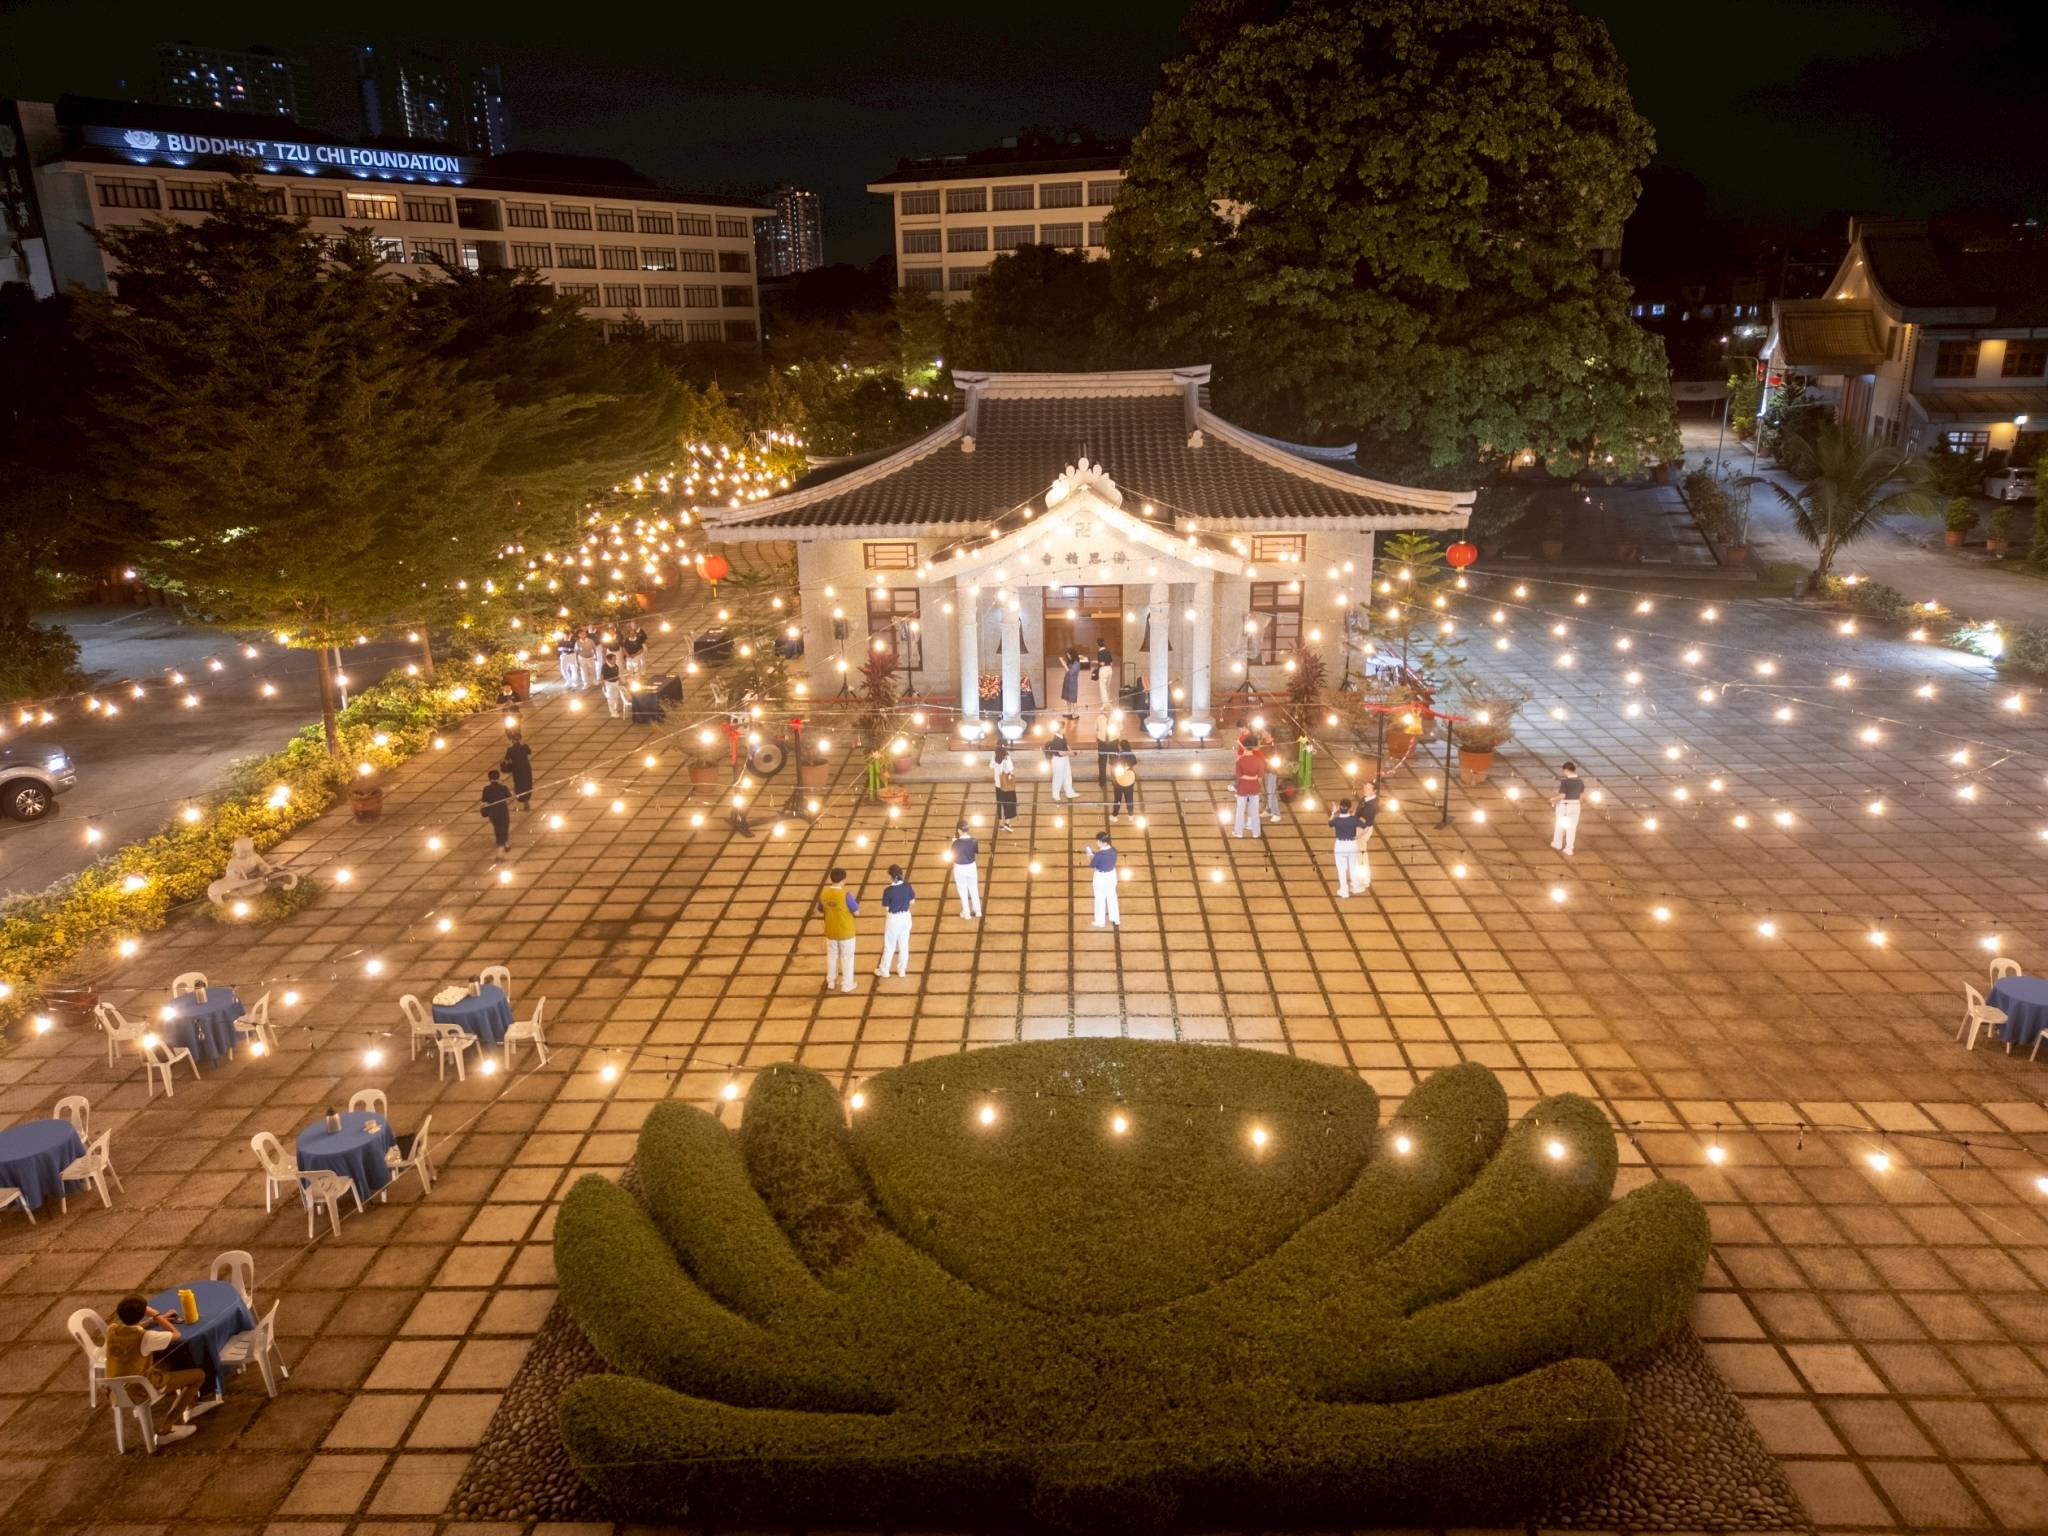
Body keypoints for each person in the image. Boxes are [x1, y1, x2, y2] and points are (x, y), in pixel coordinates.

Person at [103, 1294, 213, 1443]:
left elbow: (134, 1328)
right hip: (140, 1389)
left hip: (115, 1390)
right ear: (143, 1313)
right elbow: (176, 1335)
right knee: (198, 1375)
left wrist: (156, 1319)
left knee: (167, 1363)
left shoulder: (112, 1329)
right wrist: (156, 1315)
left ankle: (190, 1402)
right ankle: (168, 1427)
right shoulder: (145, 1337)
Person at [817, 867, 859, 993]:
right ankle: (847, 984)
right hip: (846, 932)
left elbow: (819, 910)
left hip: (830, 931)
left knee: (831, 956)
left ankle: (831, 981)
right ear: (844, 880)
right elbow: (857, 911)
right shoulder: (845, 895)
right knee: (847, 958)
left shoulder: (824, 894)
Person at [876, 864, 915, 978]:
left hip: (894, 918)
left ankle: (884, 970)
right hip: (906, 916)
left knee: (890, 945)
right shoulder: (908, 886)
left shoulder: (888, 890)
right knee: (904, 944)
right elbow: (912, 901)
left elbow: (887, 908)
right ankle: (902, 970)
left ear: (890, 876)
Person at [1329, 798, 1366, 898]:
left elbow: (1330, 823)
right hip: (1352, 844)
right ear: (1350, 808)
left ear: (1339, 807)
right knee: (1353, 867)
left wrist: (1333, 812)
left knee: (1341, 869)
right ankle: (1356, 886)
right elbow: (1365, 826)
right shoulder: (1353, 820)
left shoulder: (1336, 820)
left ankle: (1344, 890)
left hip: (1340, 845)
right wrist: (1359, 836)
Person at [1552, 759, 1585, 856]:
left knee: (1559, 825)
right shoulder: (1580, 781)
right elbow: (1582, 797)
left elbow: (1562, 796)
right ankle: (1569, 848)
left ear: (1566, 770)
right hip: (1576, 806)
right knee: (1572, 828)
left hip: (1565, 806)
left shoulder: (1565, 781)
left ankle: (1557, 844)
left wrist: (1553, 799)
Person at [1233, 739, 1265, 839]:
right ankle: (1256, 833)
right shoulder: (1258, 760)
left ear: (1244, 747)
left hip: (1242, 788)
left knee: (1240, 810)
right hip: (1254, 788)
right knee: (1255, 810)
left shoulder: (1240, 761)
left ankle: (1238, 832)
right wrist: (1254, 780)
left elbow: (1239, 776)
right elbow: (1260, 777)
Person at [1088, 832, 1121, 928]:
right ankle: (1115, 918)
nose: (1097, 843)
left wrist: (1090, 854)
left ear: (1102, 842)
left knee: (1099, 898)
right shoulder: (1114, 850)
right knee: (1112, 897)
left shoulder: (1099, 854)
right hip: (1111, 876)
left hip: (1101, 877)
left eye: (1098, 841)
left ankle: (1100, 921)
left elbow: (1092, 864)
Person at [951, 821, 982, 918]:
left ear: (959, 830)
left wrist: (952, 842)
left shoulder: (955, 843)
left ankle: (966, 912)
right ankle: (978, 911)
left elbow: (952, 855)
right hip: (971, 866)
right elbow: (976, 852)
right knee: (973, 888)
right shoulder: (974, 840)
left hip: (959, 867)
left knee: (962, 890)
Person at [480, 769, 513, 859]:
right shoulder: (503, 788)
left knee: (498, 830)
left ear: (489, 779)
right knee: (502, 831)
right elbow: (510, 798)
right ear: (498, 778)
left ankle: (506, 844)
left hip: (492, 814)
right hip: (503, 813)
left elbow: (484, 801)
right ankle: (499, 856)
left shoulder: (486, 789)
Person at [500, 737, 534, 812]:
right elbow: (529, 752)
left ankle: (521, 798)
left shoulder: (510, 750)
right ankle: (526, 799)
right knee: (527, 783)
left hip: (516, 770)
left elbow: (506, 759)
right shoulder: (525, 747)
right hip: (526, 769)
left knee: (519, 784)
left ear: (512, 741)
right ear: (520, 739)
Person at [1046, 721, 1077, 803]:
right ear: (1059, 729)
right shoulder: (1056, 739)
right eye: (1063, 728)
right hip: (1058, 760)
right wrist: (1070, 753)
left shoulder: (1062, 736)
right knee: (1058, 777)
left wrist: (1072, 751)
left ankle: (1069, 792)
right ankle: (1055, 794)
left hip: (1065, 758)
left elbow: (1066, 745)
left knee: (1067, 775)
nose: (1065, 729)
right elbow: (1060, 752)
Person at [1109, 733, 1137, 821]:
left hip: (1119, 781)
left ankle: (1115, 815)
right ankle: (1130, 815)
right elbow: (1134, 762)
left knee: (1117, 799)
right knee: (1129, 798)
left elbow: (1111, 764)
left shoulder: (1118, 756)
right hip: (1129, 780)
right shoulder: (1131, 755)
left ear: (1121, 747)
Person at [992, 744, 1019, 832]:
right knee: (1010, 803)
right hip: (1007, 785)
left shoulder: (994, 755)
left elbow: (991, 766)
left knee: (1000, 804)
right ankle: (1007, 823)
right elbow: (1010, 769)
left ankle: (1001, 824)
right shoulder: (1006, 757)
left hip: (998, 785)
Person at [1260, 731, 1283, 820]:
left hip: (1271, 770)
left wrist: (1266, 759)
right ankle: (1268, 809)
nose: (1262, 733)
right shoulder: (1263, 742)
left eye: (1264, 731)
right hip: (1263, 769)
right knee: (1265, 791)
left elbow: (1276, 758)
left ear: (1270, 734)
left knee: (1271, 791)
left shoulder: (1275, 745)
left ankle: (1276, 813)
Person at [1094, 707, 1117, 790]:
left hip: (1113, 742)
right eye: (1105, 710)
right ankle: (1102, 781)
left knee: (1114, 762)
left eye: (1109, 710)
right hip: (1102, 743)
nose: (1107, 712)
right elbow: (1096, 729)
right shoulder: (1099, 719)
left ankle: (1115, 780)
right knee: (1102, 763)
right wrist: (1098, 737)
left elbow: (1120, 728)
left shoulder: (1115, 719)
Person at [599, 649, 625, 718]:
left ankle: (615, 709)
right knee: (610, 698)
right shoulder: (604, 667)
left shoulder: (615, 665)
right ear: (608, 660)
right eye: (613, 659)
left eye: (615, 659)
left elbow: (617, 675)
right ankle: (612, 712)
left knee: (616, 697)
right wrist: (604, 687)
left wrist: (620, 682)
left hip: (615, 683)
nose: (615, 661)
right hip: (608, 684)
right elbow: (602, 677)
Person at [1093, 640, 1116, 710]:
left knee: (1103, 688)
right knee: (1107, 687)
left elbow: (1102, 663)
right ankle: (1108, 703)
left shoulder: (1100, 652)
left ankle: (1105, 705)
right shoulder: (1107, 651)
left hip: (1103, 670)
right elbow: (1111, 663)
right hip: (1110, 669)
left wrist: (1096, 662)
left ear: (1097, 644)